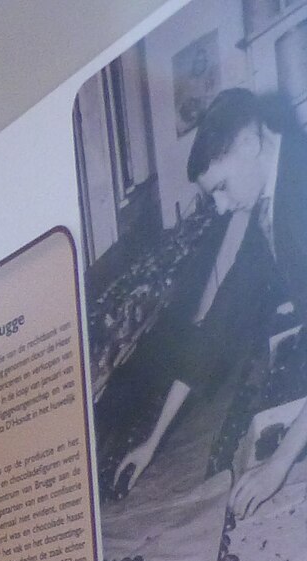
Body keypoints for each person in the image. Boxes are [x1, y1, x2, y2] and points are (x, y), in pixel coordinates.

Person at [115, 89, 307, 517]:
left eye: (220, 187)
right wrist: (153, 440)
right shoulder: (268, 206)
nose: (220, 207)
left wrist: (278, 463)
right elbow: (220, 322)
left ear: (250, 143)